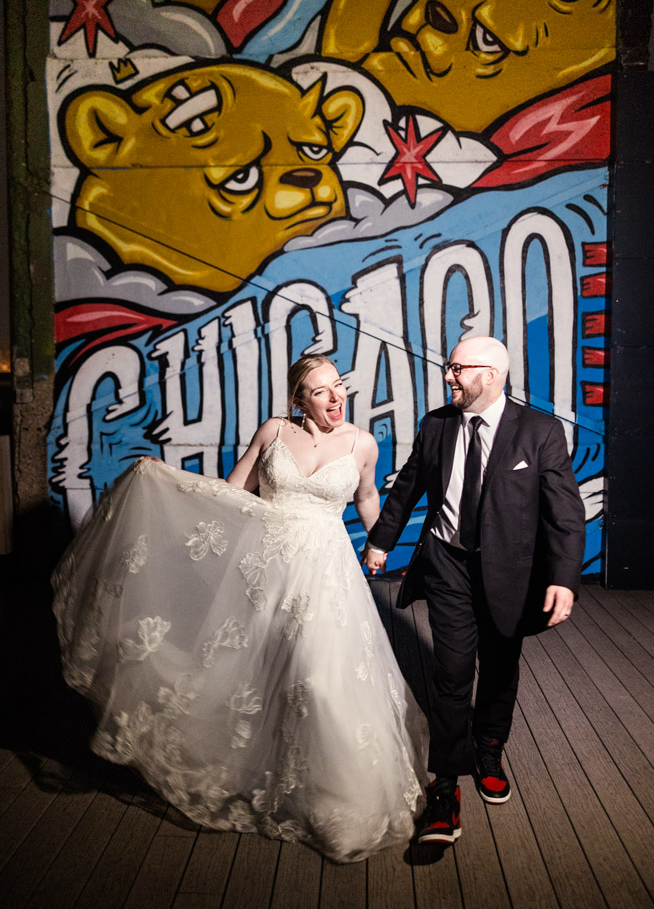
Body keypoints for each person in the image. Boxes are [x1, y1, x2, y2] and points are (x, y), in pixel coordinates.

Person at [52, 355, 427, 863]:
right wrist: (168, 481)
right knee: (259, 674)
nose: (336, 397)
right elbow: (231, 493)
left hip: (326, 576)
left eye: (339, 386)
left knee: (320, 677)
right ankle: (265, 769)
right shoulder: (274, 430)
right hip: (263, 575)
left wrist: (385, 547)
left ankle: (340, 799)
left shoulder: (362, 443)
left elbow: (366, 500)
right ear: (299, 400)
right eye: (321, 391)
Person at [362, 336, 585, 846]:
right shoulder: (436, 424)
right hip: (446, 565)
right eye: (448, 367)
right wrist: (381, 542)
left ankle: (489, 747)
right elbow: (408, 486)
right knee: (453, 668)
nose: (448, 376)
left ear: (491, 374)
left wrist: (563, 579)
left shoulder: (539, 432)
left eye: (457, 368)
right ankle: (445, 785)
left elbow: (566, 514)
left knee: (501, 664)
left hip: (512, 573)